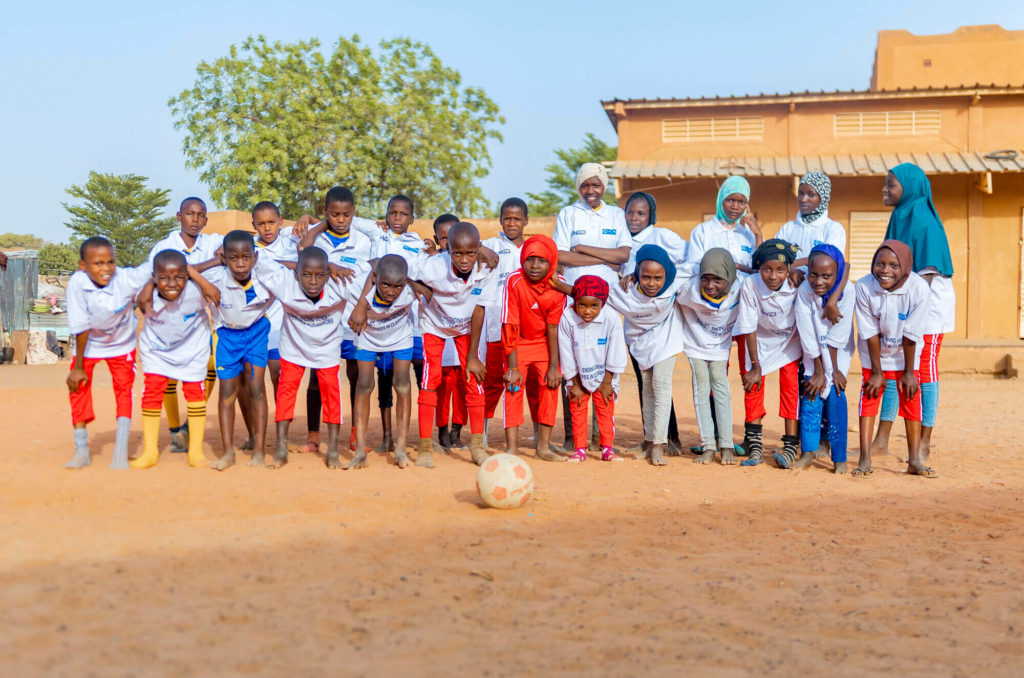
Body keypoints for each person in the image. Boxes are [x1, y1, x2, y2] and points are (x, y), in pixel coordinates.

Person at [872, 164, 956, 463]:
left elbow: (928, 276)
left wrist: (901, 304)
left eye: (890, 185)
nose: (884, 189)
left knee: (924, 366)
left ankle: (923, 441)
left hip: (927, 303)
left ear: (908, 188)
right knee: (895, 365)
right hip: (903, 299)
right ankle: (881, 440)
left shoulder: (923, 220)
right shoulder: (900, 215)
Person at [553, 163, 631, 452]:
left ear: (605, 187)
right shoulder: (568, 214)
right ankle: (573, 437)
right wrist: (603, 260)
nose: (590, 191)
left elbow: (623, 255)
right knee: (571, 365)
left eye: (596, 185)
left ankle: (601, 436)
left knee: (606, 364)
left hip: (607, 304)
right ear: (578, 187)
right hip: (575, 301)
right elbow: (561, 255)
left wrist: (583, 249)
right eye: (585, 185)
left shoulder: (616, 214)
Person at [253, 247, 350, 469]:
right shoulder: (284, 282)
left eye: (319, 275)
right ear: (296, 274)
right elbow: (258, 259)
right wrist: (289, 264)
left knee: (331, 395)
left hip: (326, 350)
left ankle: (333, 450)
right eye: (306, 275)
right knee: (286, 391)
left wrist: (361, 307)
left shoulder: (342, 283)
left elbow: (373, 272)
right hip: (293, 348)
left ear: (328, 274)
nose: (313, 282)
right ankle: (280, 448)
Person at [63, 237, 154, 469]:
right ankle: (81, 450)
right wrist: (78, 367)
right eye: (98, 263)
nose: (106, 268)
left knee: (124, 391)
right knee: (78, 388)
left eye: (110, 262)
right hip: (89, 344)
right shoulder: (77, 284)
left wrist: (147, 290)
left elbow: (157, 266)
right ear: (83, 266)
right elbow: (80, 326)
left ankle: (120, 451)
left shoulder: (127, 278)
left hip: (121, 344)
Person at [412, 222, 497, 467]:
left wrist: (472, 356)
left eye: (471, 253)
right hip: (434, 325)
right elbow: (397, 268)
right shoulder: (432, 267)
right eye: (457, 253)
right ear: (447, 248)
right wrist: (414, 284)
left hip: (466, 327)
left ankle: (477, 447)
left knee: (474, 379)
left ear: (479, 250)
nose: (464, 259)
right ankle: (425, 447)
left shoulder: (487, 268)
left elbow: (480, 308)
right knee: (431, 379)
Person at [147, 197, 224, 454]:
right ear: (179, 216)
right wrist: (209, 265)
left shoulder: (213, 242)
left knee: (210, 367)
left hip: (204, 319)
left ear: (206, 219)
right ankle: (173, 430)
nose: (195, 219)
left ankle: (191, 423)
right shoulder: (164, 246)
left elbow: (237, 251)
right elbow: (161, 276)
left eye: (200, 215)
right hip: (171, 320)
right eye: (190, 214)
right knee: (168, 376)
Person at [131, 250, 221, 469]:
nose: (171, 283)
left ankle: (196, 452)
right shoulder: (145, 294)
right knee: (152, 393)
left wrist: (195, 276)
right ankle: (150, 451)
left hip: (192, 350)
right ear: (153, 277)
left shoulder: (195, 292)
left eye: (179, 277)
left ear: (187, 276)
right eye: (163, 278)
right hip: (158, 351)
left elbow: (215, 294)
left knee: (195, 395)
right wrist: (147, 287)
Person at [301, 187, 374, 454]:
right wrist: (329, 264)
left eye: (346, 214)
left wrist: (362, 308)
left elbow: (372, 276)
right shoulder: (317, 241)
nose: (341, 219)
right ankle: (313, 435)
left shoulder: (364, 242)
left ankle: (356, 432)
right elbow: (303, 257)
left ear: (354, 213)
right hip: (323, 320)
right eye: (334, 214)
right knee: (317, 377)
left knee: (356, 374)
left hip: (353, 319)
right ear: (325, 213)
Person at [854, 240, 934, 478]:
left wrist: (909, 373)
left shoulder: (918, 289)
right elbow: (869, 332)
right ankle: (864, 458)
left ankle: (915, 460)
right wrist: (877, 372)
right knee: (869, 398)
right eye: (880, 264)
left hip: (906, 355)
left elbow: (911, 335)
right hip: (874, 354)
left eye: (893, 265)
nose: (885, 271)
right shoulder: (864, 286)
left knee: (911, 401)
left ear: (905, 268)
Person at [201, 230, 275, 470]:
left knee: (256, 389)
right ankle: (227, 453)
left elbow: (295, 268)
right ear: (226, 258)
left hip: (255, 333)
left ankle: (260, 452)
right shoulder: (217, 277)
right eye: (233, 258)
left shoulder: (265, 274)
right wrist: (215, 260)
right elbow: (184, 269)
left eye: (246, 257)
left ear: (255, 256)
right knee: (227, 393)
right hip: (227, 337)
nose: (240, 264)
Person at [606, 245, 685, 466]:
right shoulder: (628, 291)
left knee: (661, 387)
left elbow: (697, 269)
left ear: (666, 275)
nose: (652, 283)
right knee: (648, 390)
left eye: (658, 278)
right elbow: (596, 291)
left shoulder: (675, 284)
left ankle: (660, 443)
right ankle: (650, 442)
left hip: (666, 343)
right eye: (646, 277)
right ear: (637, 274)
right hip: (641, 345)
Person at [621, 191, 687, 454]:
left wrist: (665, 280)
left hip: (660, 321)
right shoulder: (621, 240)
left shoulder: (663, 236)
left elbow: (689, 258)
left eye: (641, 213)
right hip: (636, 324)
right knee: (644, 383)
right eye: (630, 212)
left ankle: (671, 438)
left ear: (651, 216)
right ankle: (650, 438)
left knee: (660, 385)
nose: (634, 218)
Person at [734, 239, 802, 468]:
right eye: (767, 269)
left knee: (791, 386)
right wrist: (755, 365)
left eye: (781, 270)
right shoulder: (751, 285)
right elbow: (748, 325)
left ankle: (791, 444)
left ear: (789, 270)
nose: (773, 276)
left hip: (788, 342)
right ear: (758, 268)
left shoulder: (797, 283)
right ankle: (754, 445)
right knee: (752, 384)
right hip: (759, 341)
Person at [344, 255, 417, 469]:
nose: (391, 291)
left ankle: (401, 450)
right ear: (375, 278)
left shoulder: (411, 290)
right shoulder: (357, 288)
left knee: (402, 384)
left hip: (401, 338)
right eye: (385, 284)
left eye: (397, 286)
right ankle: (360, 451)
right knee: (364, 385)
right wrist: (360, 305)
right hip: (368, 339)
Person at [500, 235, 565, 460]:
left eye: (541, 260)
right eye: (530, 259)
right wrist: (513, 367)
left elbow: (553, 328)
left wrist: (555, 366)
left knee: (550, 387)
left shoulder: (558, 285)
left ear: (551, 262)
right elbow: (510, 324)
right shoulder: (514, 280)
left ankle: (543, 448)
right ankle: (512, 449)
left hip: (545, 346)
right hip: (517, 344)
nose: (535, 266)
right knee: (513, 388)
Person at [793, 245, 855, 474]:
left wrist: (833, 371)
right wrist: (818, 371)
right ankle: (807, 452)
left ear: (837, 275)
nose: (818, 281)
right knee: (811, 398)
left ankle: (840, 459)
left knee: (836, 399)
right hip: (814, 356)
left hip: (838, 357)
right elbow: (807, 332)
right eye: (813, 274)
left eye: (827, 276)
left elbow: (838, 336)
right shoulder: (804, 292)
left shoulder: (849, 292)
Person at [677, 249, 742, 465]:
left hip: (721, 346)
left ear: (730, 278)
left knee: (720, 387)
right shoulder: (688, 288)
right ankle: (708, 446)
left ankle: (726, 446)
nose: (710, 286)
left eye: (718, 280)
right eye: (705, 278)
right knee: (701, 388)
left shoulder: (741, 288)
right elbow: (667, 277)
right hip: (695, 343)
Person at [558, 275, 627, 462]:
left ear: (602, 304)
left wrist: (607, 381)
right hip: (577, 375)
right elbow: (565, 352)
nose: (587, 311)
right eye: (582, 305)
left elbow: (616, 350)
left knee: (605, 408)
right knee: (578, 407)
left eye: (594, 306)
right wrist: (575, 382)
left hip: (605, 375)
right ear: (575, 302)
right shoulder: (567, 317)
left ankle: (607, 449)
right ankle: (579, 449)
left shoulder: (611, 318)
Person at [481, 199, 527, 447]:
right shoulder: (491, 244)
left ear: (525, 221)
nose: (512, 223)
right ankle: (483, 435)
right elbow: (462, 242)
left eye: (517, 218)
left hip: (525, 330)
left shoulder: (532, 249)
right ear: (500, 220)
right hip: (496, 326)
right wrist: (480, 249)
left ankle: (526, 436)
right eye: (507, 218)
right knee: (493, 381)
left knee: (520, 383)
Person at [252, 201, 300, 398]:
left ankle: (281, 416)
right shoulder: (248, 249)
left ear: (280, 221)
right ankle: (259, 421)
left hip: (280, 322)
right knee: (253, 377)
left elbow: (325, 224)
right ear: (254, 225)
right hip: (255, 319)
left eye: (271, 222)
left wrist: (307, 218)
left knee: (277, 371)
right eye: (261, 224)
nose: (267, 228)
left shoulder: (292, 242)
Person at [431, 215, 469, 452]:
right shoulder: (433, 262)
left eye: (451, 236)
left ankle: (458, 430)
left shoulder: (469, 262)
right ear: (437, 239)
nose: (447, 242)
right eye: (443, 238)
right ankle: (442, 431)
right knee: (443, 388)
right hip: (442, 332)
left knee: (464, 387)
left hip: (463, 332)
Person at [775, 172, 848, 296]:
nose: (803, 199)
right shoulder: (788, 228)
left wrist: (788, 265)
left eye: (811, 194)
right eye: (801, 193)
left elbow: (829, 261)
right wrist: (790, 271)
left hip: (817, 293)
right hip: (788, 293)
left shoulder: (833, 228)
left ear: (823, 197)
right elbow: (773, 257)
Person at [686, 176, 762, 275]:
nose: (735, 207)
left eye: (741, 202)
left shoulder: (750, 233)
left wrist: (758, 235)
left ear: (747, 205)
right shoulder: (702, 231)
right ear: (720, 201)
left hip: (746, 289)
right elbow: (694, 267)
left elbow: (759, 270)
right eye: (730, 200)